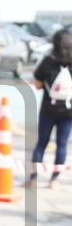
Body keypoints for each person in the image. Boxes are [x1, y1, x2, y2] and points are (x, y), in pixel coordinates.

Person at [28, 29, 72, 190]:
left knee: (42, 143)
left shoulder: (48, 61)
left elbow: (38, 84)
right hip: (69, 111)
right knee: (62, 144)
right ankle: (54, 180)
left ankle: (34, 178)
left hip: (48, 108)